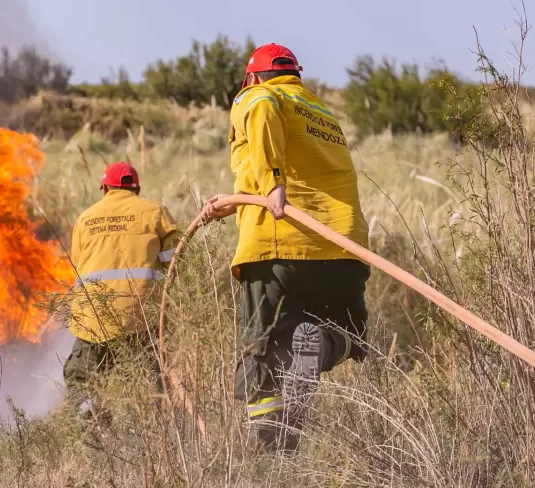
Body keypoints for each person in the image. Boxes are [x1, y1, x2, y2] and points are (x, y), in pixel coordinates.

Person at [205, 43, 371, 452]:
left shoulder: (260, 95)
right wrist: (233, 201)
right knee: (350, 334)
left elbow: (261, 122)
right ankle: (320, 346)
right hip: (341, 248)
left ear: (254, 76)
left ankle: (272, 454)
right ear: (295, 74)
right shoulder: (320, 112)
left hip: (277, 246)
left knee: (260, 352)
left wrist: (274, 183)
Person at [63, 162, 180, 423]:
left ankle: (91, 416)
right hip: (140, 316)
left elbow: (78, 267)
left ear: (104, 188)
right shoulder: (155, 212)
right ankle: (147, 428)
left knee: (80, 376)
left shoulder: (85, 218)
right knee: (147, 380)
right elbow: (176, 263)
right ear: (136, 188)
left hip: (94, 318)